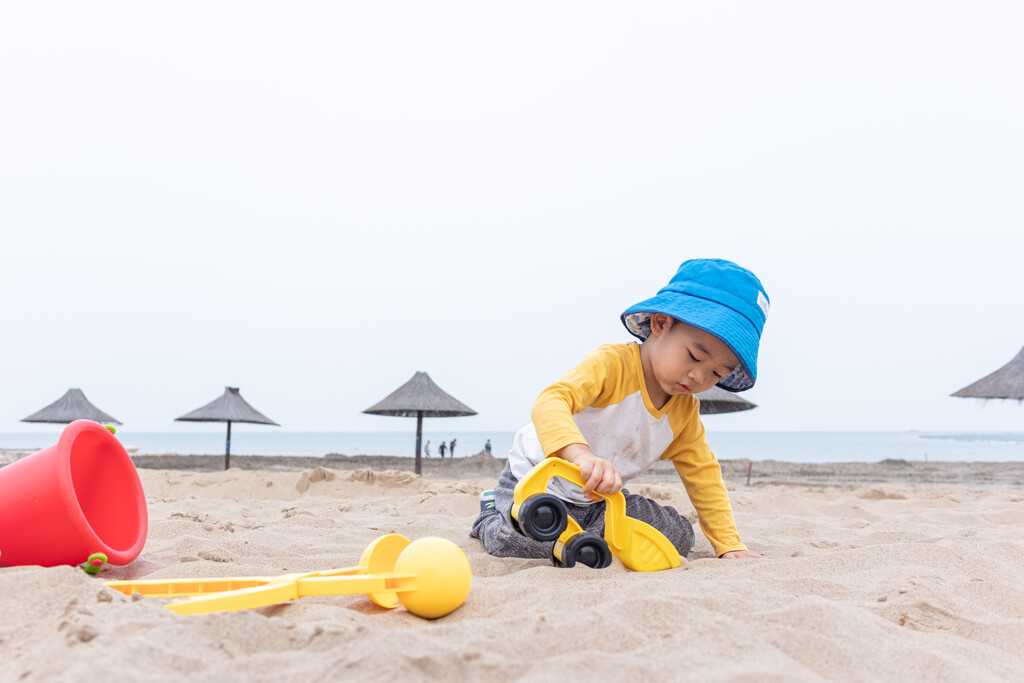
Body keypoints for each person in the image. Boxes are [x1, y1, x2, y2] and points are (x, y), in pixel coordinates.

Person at [471, 258, 768, 561]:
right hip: (535, 484)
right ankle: (491, 513)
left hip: (599, 501)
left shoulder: (684, 414)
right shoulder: (612, 365)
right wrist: (581, 455)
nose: (699, 377)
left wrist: (729, 544)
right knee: (529, 544)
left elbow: (703, 475)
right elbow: (551, 401)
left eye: (717, 374)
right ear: (661, 323)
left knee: (676, 537)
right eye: (694, 356)